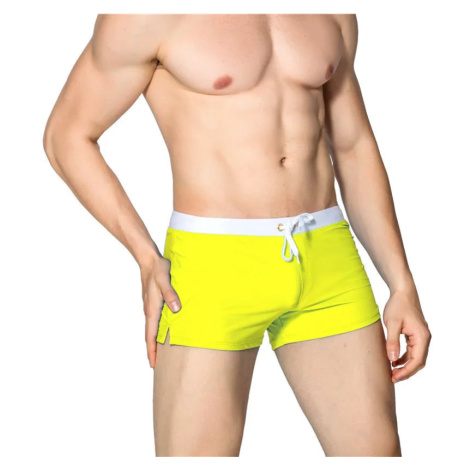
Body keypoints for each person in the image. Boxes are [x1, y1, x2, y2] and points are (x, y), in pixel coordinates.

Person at [43, 13, 431, 457]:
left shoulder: (330, 12)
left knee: (376, 454)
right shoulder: (149, 15)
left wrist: (401, 282)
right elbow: (66, 136)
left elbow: (352, 145)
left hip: (328, 261)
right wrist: (146, 256)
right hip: (213, 268)